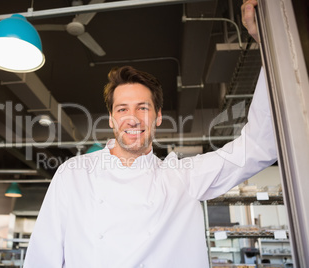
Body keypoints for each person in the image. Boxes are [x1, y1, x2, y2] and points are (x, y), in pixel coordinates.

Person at [24, 0, 275, 267]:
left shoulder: (183, 178)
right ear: (111, 119)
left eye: (142, 108)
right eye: (122, 109)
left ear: (157, 117)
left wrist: (267, 44)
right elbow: (42, 258)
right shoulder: (72, 175)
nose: (132, 118)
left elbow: (259, 146)